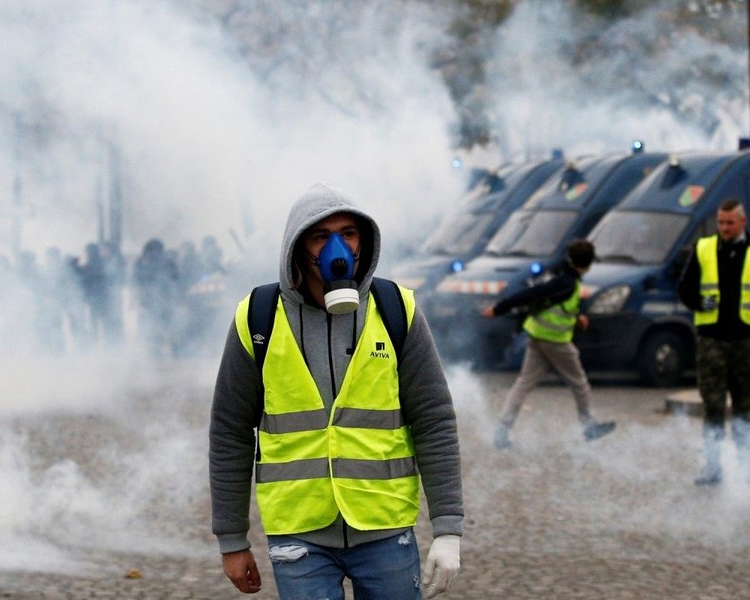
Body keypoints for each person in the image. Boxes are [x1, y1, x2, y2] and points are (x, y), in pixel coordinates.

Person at [209, 183, 464, 599]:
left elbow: (434, 419)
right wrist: (232, 539)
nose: (337, 248)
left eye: (348, 232)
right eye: (319, 235)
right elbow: (229, 431)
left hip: (385, 528)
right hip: (298, 533)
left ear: (364, 239)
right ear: (297, 246)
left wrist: (448, 527)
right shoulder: (257, 318)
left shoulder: (397, 310)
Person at [677, 199, 750, 486]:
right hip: (712, 340)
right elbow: (684, 289)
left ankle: (747, 469)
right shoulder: (703, 248)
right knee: (713, 406)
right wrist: (699, 302)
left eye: (729, 223)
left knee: (744, 406)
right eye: (720, 222)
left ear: (742, 222)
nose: (723, 228)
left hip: (746, 341)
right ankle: (712, 468)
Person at [484, 238, 616, 449]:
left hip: (537, 336)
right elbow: (532, 295)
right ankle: (588, 425)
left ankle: (503, 429)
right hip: (555, 342)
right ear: (588, 264)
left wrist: (577, 316)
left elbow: (556, 304)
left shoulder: (562, 274)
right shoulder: (567, 282)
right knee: (580, 383)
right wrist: (500, 308)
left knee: (524, 383)